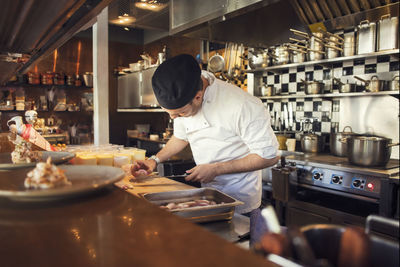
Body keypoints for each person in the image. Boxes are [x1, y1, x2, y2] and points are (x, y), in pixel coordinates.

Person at [129, 54, 279, 242]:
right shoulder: (184, 98)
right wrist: (154, 160)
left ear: (198, 96)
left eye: (180, 113)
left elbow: (270, 156)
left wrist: (216, 169)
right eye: (170, 114)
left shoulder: (242, 105)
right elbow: (180, 137)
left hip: (240, 202)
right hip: (206, 197)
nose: (175, 118)